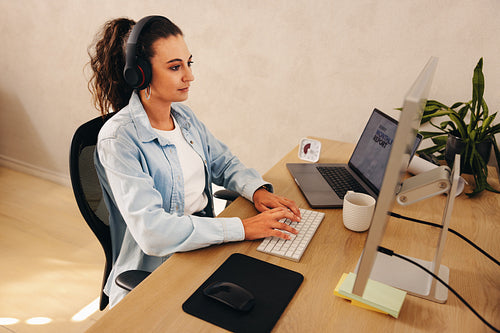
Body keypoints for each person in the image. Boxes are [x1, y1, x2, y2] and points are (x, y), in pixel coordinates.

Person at [87, 15, 302, 307]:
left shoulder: (184, 118)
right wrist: (244, 227)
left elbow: (224, 163)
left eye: (189, 63)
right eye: (176, 67)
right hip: (157, 270)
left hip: (204, 246)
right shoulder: (119, 139)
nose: (189, 76)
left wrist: (257, 191)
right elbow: (152, 232)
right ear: (140, 74)